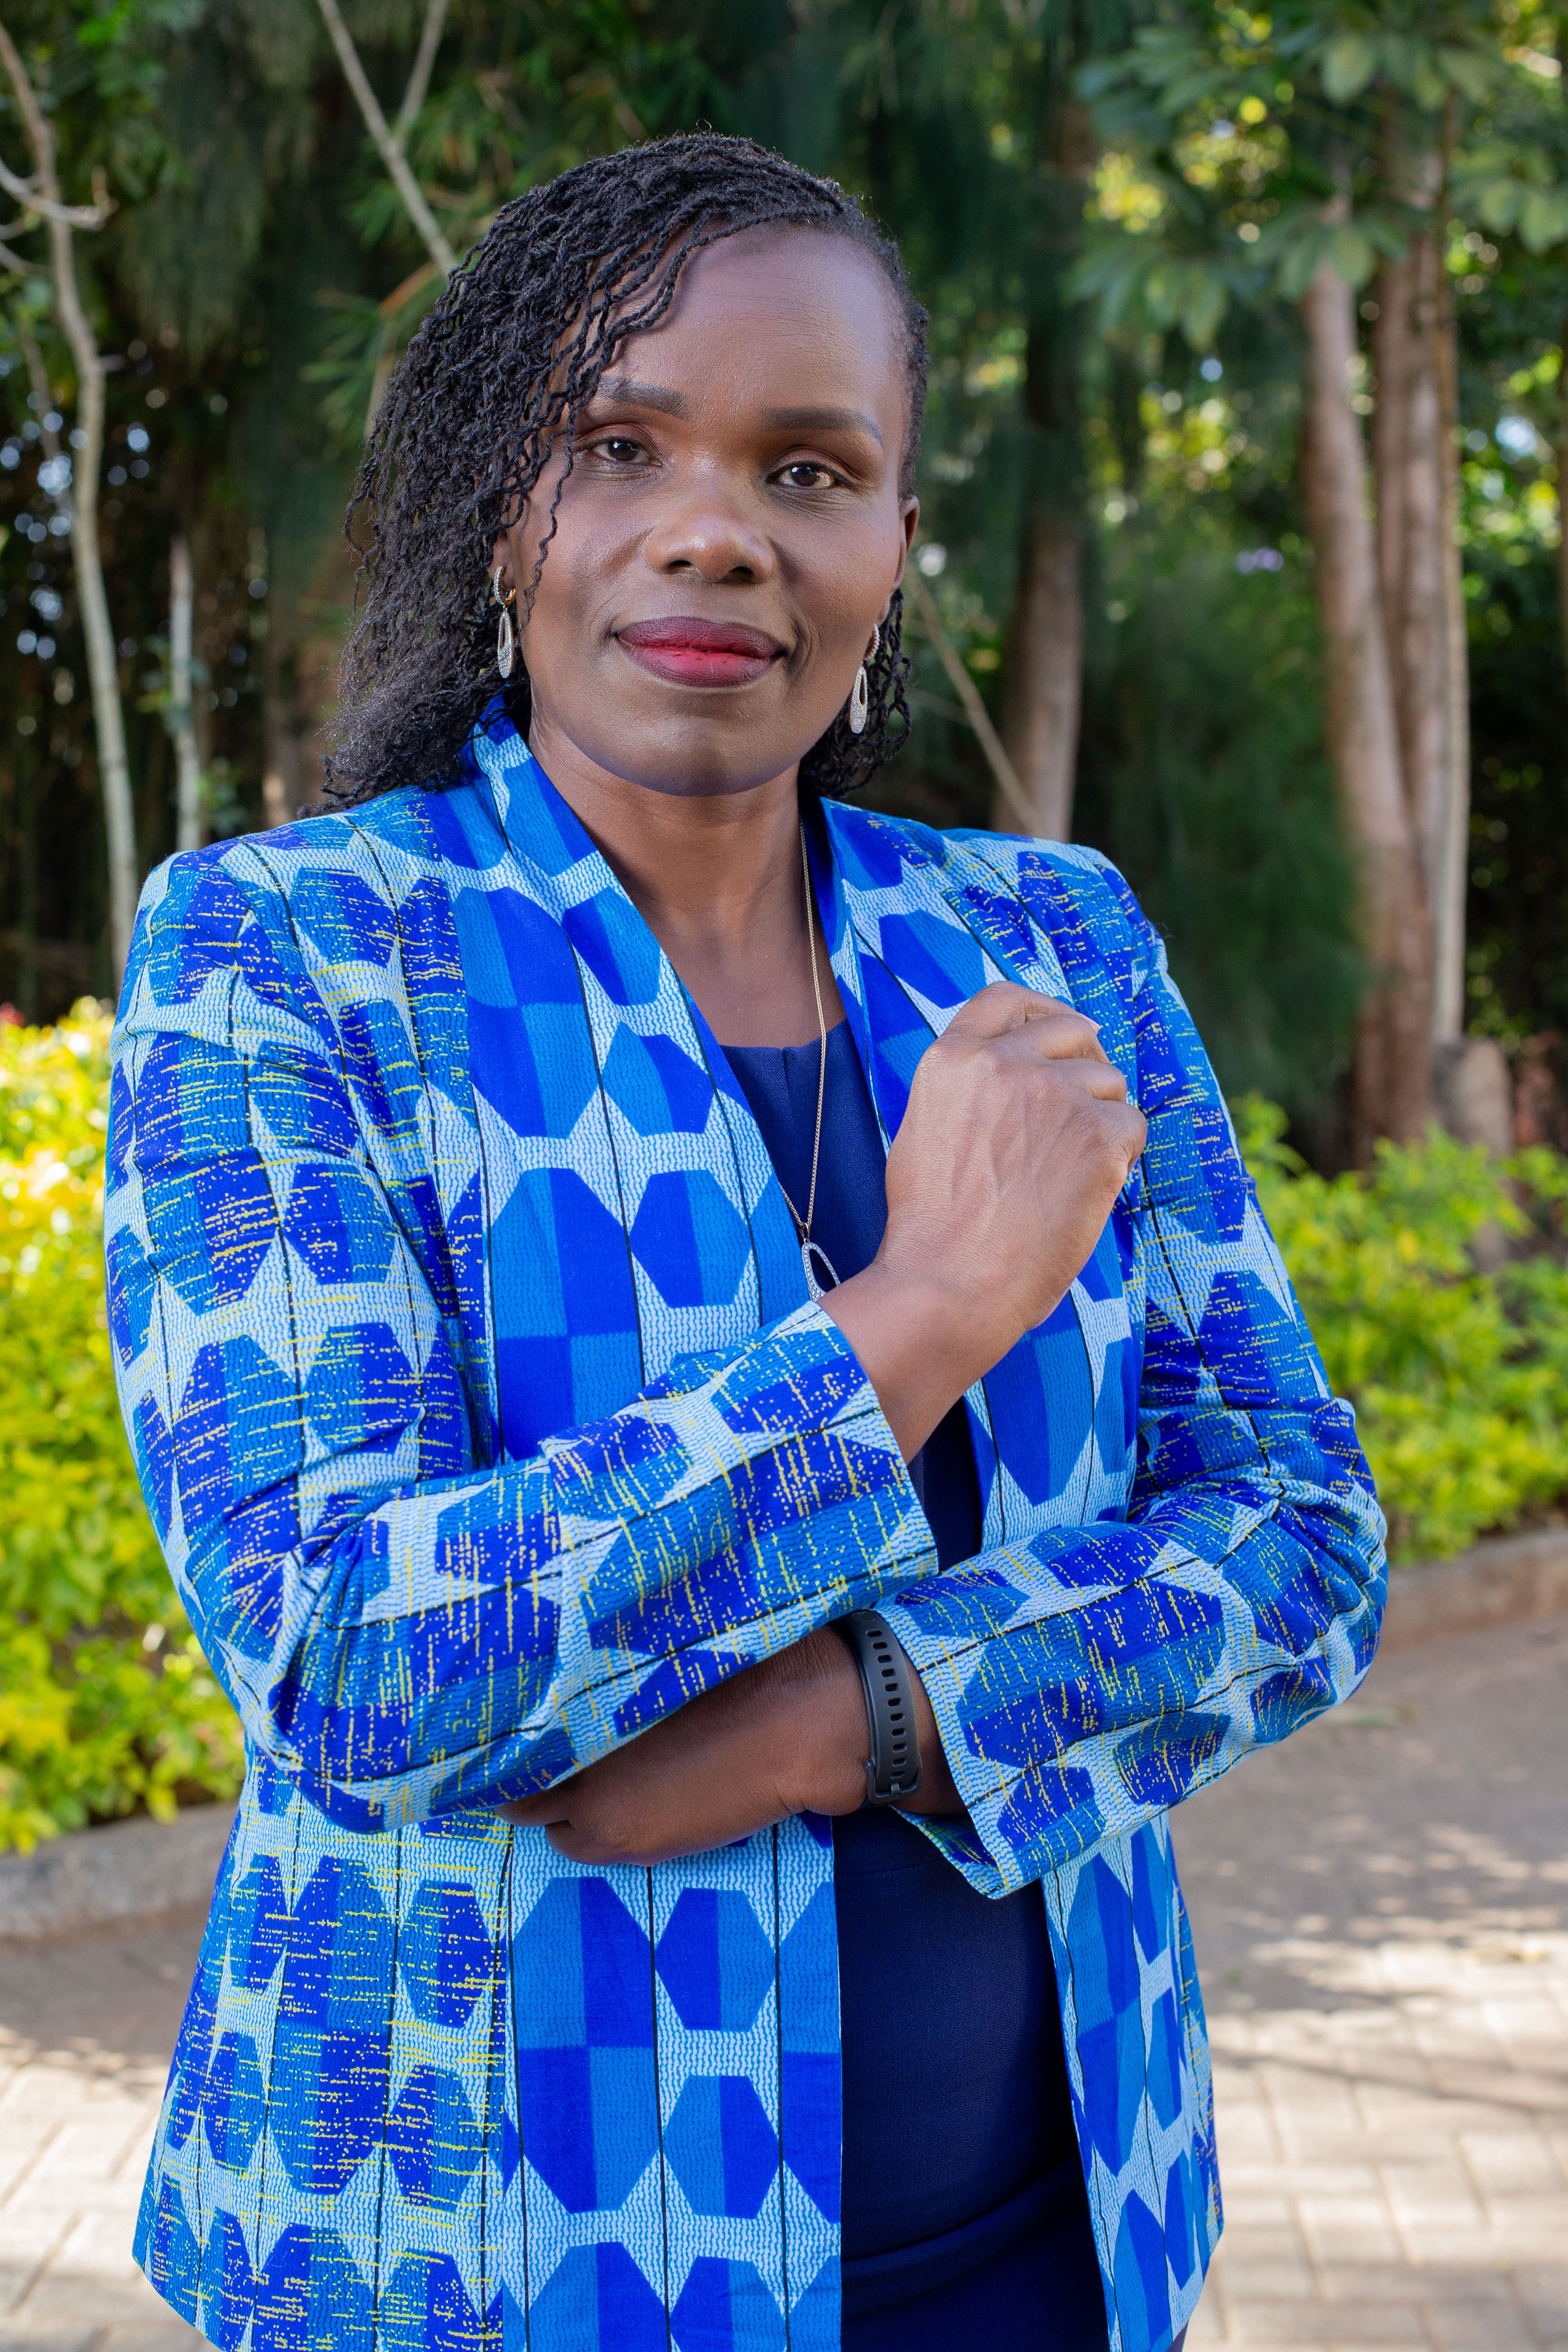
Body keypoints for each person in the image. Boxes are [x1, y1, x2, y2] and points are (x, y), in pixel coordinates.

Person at [107, 132, 1385, 2352]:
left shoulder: (1046, 946)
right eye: (621, 447)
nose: (718, 528)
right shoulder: (298, 953)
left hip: (1051, 2250)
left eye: (811, 468)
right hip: (487, 2275)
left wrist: (853, 1721)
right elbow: (350, 1658)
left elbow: (1305, 1535)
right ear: (503, 510)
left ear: (896, 542)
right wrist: (927, 1310)